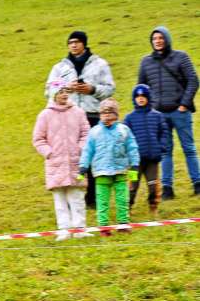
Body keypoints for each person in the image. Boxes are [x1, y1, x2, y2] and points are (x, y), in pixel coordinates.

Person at [46, 31, 115, 210]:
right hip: (69, 117)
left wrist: (92, 89)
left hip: (93, 115)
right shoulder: (60, 68)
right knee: (73, 157)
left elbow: (110, 89)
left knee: (95, 157)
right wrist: (65, 88)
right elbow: (48, 90)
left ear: (84, 43)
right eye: (70, 42)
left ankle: (93, 197)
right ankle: (72, 198)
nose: (73, 45)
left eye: (77, 42)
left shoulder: (99, 64)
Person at [136, 26, 199, 199]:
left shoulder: (181, 57)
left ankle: (198, 183)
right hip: (158, 115)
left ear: (167, 39)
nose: (157, 41)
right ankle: (167, 188)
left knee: (189, 148)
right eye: (154, 38)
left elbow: (193, 80)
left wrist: (184, 104)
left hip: (180, 112)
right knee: (165, 151)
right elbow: (141, 88)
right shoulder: (146, 62)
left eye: (161, 37)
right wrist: (149, 110)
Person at [32, 80, 90, 240]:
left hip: (75, 161)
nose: (64, 95)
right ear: (54, 95)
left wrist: (80, 148)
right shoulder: (45, 115)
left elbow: (86, 133)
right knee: (60, 198)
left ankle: (79, 228)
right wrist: (49, 153)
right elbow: (38, 139)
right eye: (60, 92)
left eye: (66, 91)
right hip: (55, 163)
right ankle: (64, 229)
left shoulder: (78, 112)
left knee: (77, 196)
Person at [80, 99, 140, 236]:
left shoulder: (124, 130)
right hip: (101, 172)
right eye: (103, 113)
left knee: (122, 199)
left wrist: (135, 165)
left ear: (116, 115)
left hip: (120, 171)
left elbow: (132, 148)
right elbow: (88, 150)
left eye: (110, 113)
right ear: (100, 115)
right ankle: (104, 227)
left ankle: (123, 224)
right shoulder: (94, 132)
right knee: (102, 201)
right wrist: (83, 166)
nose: (107, 116)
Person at [123, 84, 171, 216]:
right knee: (132, 185)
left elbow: (165, 133)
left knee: (153, 185)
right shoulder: (129, 118)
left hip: (152, 159)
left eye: (143, 96)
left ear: (148, 98)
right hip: (135, 162)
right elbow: (124, 137)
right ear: (134, 99)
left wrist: (161, 147)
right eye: (138, 96)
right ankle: (127, 208)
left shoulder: (157, 116)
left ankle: (153, 207)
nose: (140, 98)